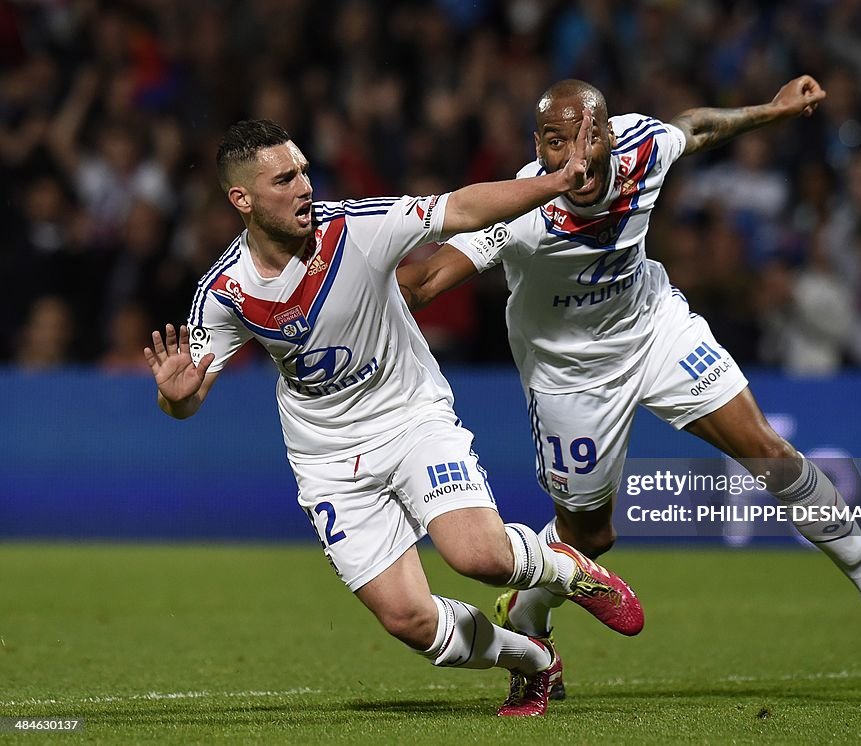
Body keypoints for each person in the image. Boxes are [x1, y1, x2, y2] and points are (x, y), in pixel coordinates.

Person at [398, 77, 861, 696]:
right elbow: (424, 282)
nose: (573, 156)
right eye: (556, 143)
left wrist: (773, 109)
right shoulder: (518, 212)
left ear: (609, 134)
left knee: (768, 453)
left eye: (586, 136)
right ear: (538, 146)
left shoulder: (641, 150)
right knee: (589, 537)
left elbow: (696, 126)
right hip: (570, 377)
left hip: (655, 331)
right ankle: (530, 617)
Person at [143, 118, 645, 718]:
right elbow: (188, 400)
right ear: (242, 199)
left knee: (478, 557)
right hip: (325, 458)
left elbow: (460, 208)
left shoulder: (356, 229)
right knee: (410, 620)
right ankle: (533, 662)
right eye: (285, 178)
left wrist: (555, 182)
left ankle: (571, 571)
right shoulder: (225, 292)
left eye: (304, 170)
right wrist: (175, 398)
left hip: (411, 419)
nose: (305, 185)